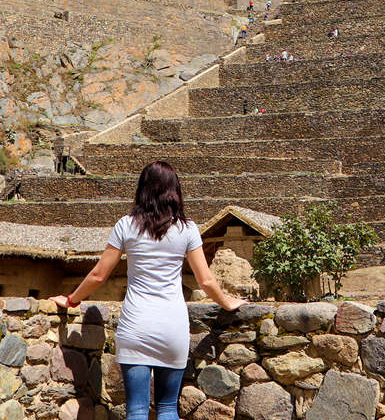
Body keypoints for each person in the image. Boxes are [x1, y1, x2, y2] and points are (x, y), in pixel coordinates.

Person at [51, 162, 245, 420]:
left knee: (137, 410)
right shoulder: (187, 229)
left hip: (136, 325)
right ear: (174, 191)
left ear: (143, 189)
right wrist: (228, 303)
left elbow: (99, 274)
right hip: (172, 327)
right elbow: (206, 281)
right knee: (167, 408)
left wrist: (72, 299)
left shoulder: (126, 225)